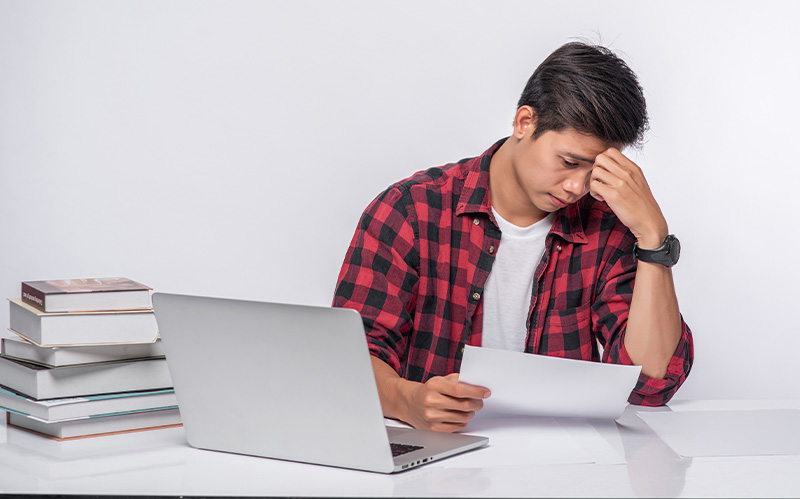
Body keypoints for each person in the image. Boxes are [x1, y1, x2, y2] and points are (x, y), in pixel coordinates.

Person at [333, 41, 693, 433]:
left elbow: (651, 383)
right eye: (569, 162)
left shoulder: (607, 228)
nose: (577, 186)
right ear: (525, 122)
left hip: (566, 464)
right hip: (435, 459)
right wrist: (407, 401)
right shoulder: (410, 210)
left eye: (596, 172)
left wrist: (653, 238)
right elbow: (351, 356)